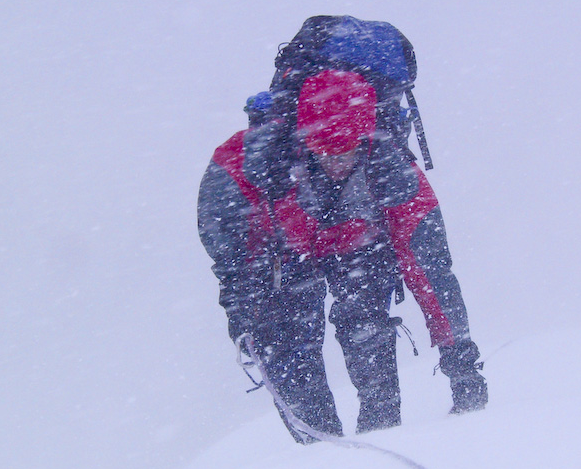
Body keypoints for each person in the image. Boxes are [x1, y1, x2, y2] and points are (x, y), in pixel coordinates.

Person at [241, 68, 488, 435]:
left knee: (362, 319)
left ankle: (380, 423)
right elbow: (265, 261)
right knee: (299, 333)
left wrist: (463, 369)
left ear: (366, 140)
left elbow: (432, 277)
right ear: (306, 143)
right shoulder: (282, 180)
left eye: (346, 150)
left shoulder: (397, 180)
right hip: (305, 250)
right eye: (326, 151)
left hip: (363, 246)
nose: (336, 162)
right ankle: (322, 441)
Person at [197, 92, 343, 443]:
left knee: (279, 364)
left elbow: (215, 231)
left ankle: (315, 442)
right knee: (307, 357)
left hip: (253, 277)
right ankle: (328, 440)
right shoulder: (304, 149)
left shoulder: (228, 158)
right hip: (301, 268)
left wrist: (237, 288)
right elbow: (323, 214)